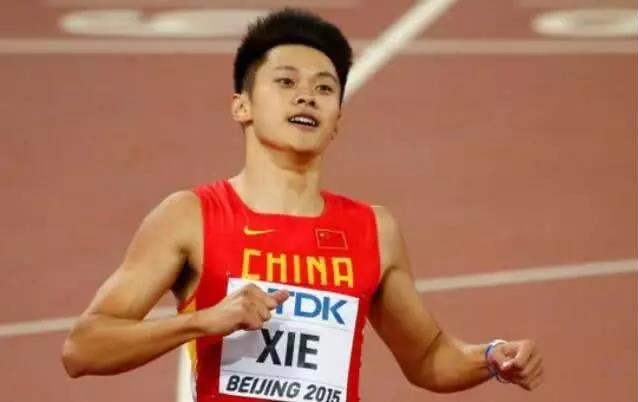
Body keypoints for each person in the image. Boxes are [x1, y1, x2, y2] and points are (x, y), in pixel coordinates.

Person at [61, 7, 544, 402]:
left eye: (324, 88)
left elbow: (428, 357)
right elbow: (82, 349)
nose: (307, 97)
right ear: (242, 106)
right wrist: (202, 321)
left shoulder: (373, 230)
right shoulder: (189, 217)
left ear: (337, 120)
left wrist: (492, 357)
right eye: (286, 82)